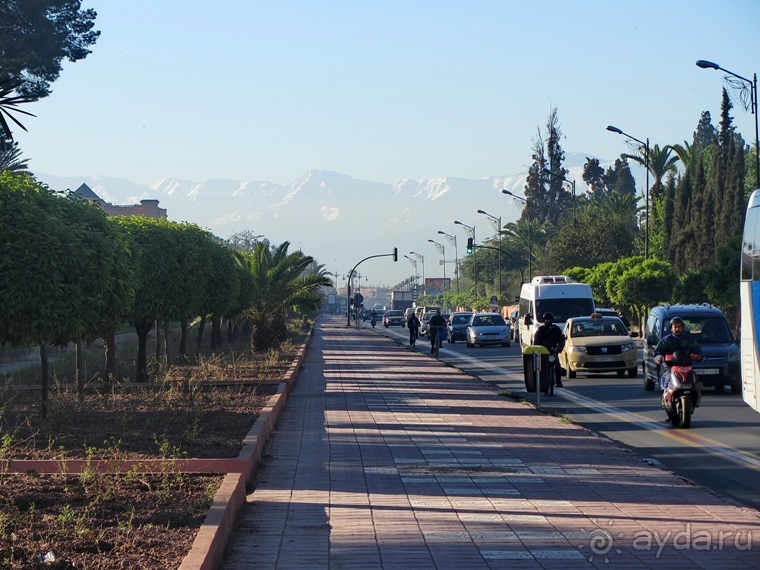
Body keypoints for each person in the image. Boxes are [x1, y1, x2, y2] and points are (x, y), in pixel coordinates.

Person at [654, 317, 702, 390]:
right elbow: (657, 353)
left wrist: (698, 356)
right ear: (671, 328)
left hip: (687, 366)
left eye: (679, 327)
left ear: (682, 328)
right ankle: (666, 395)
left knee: (696, 382)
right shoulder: (665, 340)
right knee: (667, 379)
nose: (677, 329)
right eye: (675, 327)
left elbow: (697, 350)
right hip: (671, 367)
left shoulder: (689, 340)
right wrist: (660, 357)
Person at [533, 312, 566, 388]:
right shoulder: (541, 330)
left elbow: (561, 340)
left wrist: (559, 348)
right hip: (543, 352)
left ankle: (558, 381)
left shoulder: (556, 329)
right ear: (544, 320)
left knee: (557, 365)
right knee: (540, 367)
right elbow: (536, 342)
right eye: (546, 320)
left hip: (553, 351)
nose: (548, 321)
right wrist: (538, 349)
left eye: (550, 319)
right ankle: (539, 381)